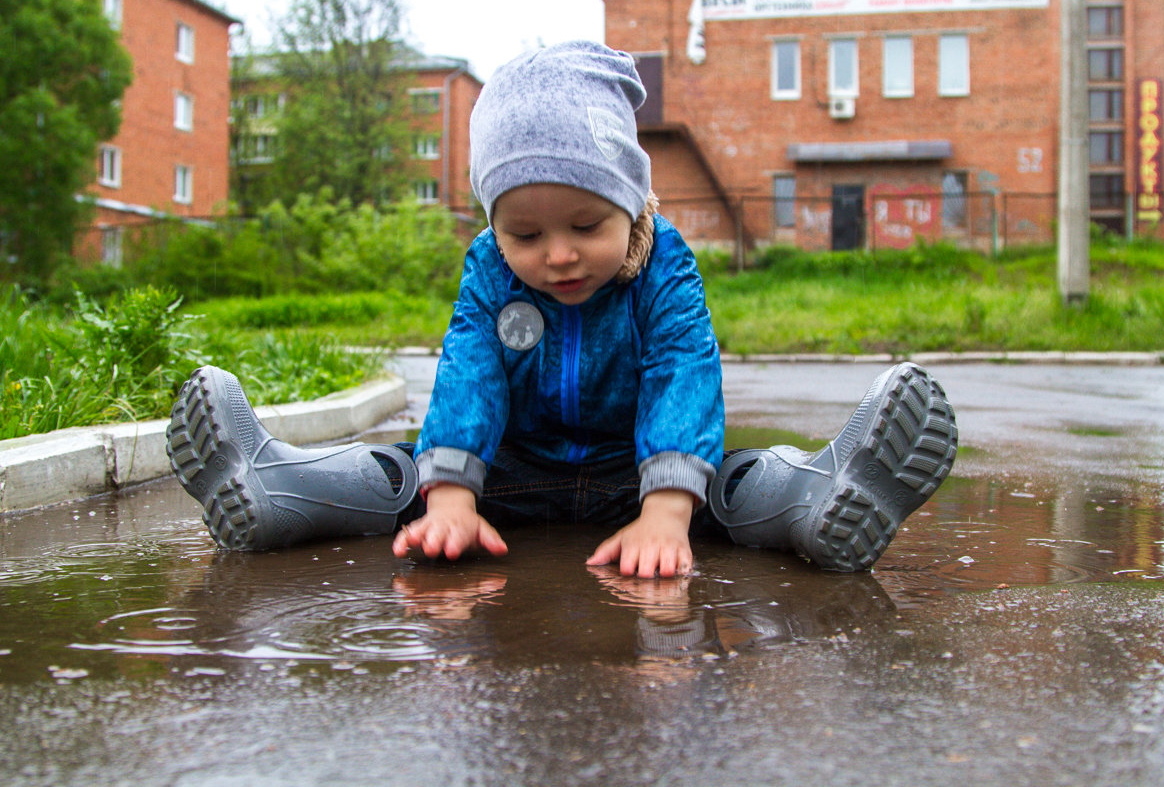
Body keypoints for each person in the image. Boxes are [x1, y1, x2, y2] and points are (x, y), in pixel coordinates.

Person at [165, 41, 958, 578]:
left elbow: (684, 370)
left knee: (733, 486)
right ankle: (275, 487)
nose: (558, 256)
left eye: (586, 226)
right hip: (512, 477)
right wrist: (451, 504)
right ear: (493, 227)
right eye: (525, 233)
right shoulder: (490, 270)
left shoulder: (664, 262)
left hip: (636, 478)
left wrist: (665, 515)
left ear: (630, 205)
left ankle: (823, 492)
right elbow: (469, 373)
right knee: (404, 474)